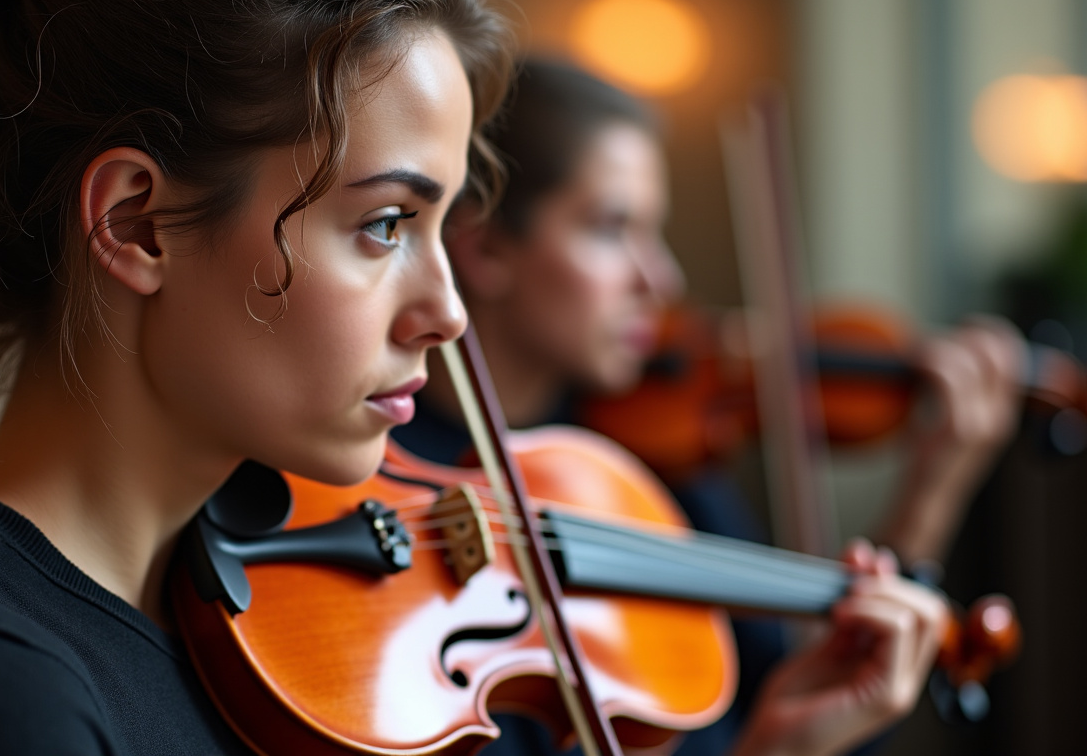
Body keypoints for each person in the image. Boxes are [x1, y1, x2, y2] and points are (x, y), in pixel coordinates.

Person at [0, 0, 513, 753]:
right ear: (136, 225)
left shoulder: (254, 649)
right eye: (384, 226)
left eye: (440, 230)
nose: (448, 314)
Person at [393, 58, 1023, 755]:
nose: (661, 277)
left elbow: (799, 701)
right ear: (484, 247)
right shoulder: (387, 478)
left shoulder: (656, 464)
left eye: (653, 233)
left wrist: (931, 492)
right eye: (611, 229)